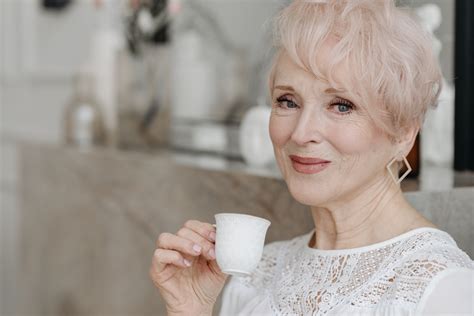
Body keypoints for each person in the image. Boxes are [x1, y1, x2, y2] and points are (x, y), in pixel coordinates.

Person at [149, 0, 474, 315]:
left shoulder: (440, 290)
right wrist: (191, 310)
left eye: (341, 105)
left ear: (403, 132)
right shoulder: (257, 275)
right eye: (288, 101)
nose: (301, 133)